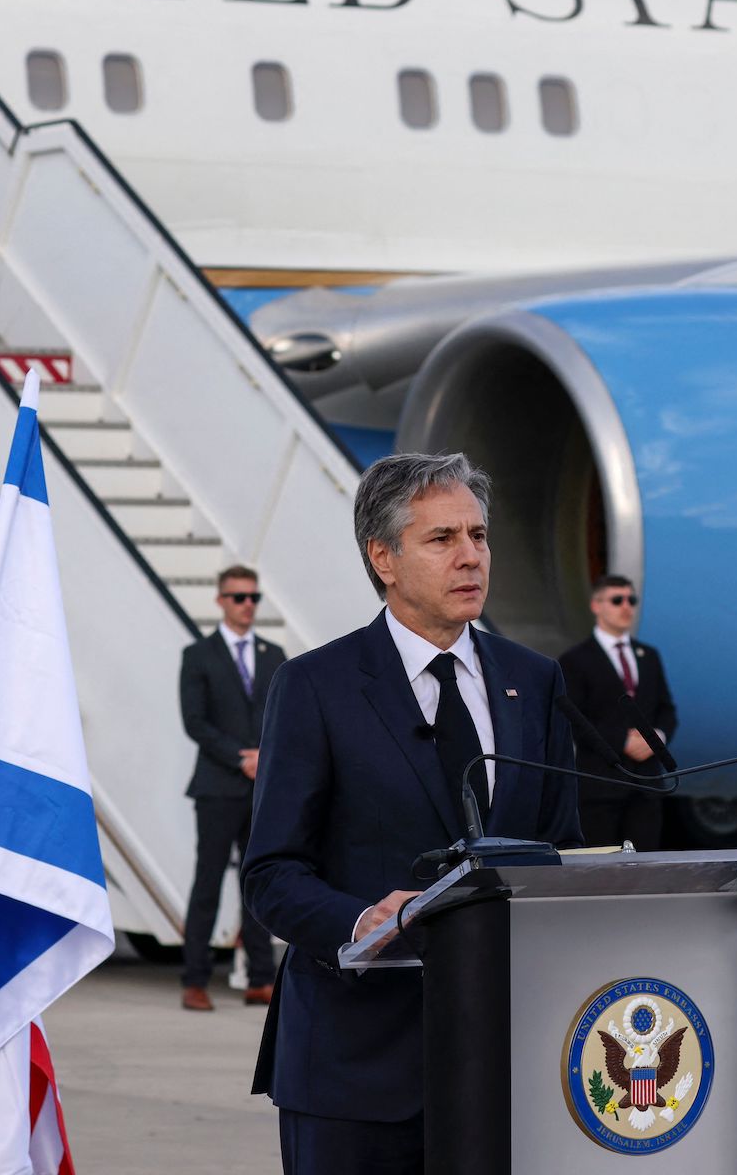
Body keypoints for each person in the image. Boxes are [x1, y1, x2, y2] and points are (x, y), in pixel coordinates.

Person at [243, 452, 582, 1175]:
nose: (471, 557)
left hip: (509, 1066)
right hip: (355, 1068)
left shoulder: (533, 680)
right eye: (443, 539)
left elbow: (561, 849)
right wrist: (365, 922)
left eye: (479, 536)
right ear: (383, 558)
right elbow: (272, 873)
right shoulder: (315, 687)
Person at [177, 565, 283, 1011]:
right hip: (219, 786)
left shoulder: (273, 653)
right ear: (221, 600)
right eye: (238, 597)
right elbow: (195, 722)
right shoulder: (198, 655)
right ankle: (194, 979)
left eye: (253, 597)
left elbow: (285, 714)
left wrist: (265, 755)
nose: (247, 605)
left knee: (257, 881)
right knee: (208, 882)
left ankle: (261, 978)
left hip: (262, 787)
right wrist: (241, 757)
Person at [558, 574, 679, 850]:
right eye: (617, 600)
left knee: (646, 866)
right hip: (601, 786)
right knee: (601, 867)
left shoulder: (649, 655)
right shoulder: (575, 659)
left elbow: (666, 708)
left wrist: (655, 738)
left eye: (631, 600)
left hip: (646, 786)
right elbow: (575, 719)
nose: (626, 607)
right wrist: (622, 741)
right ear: (596, 605)